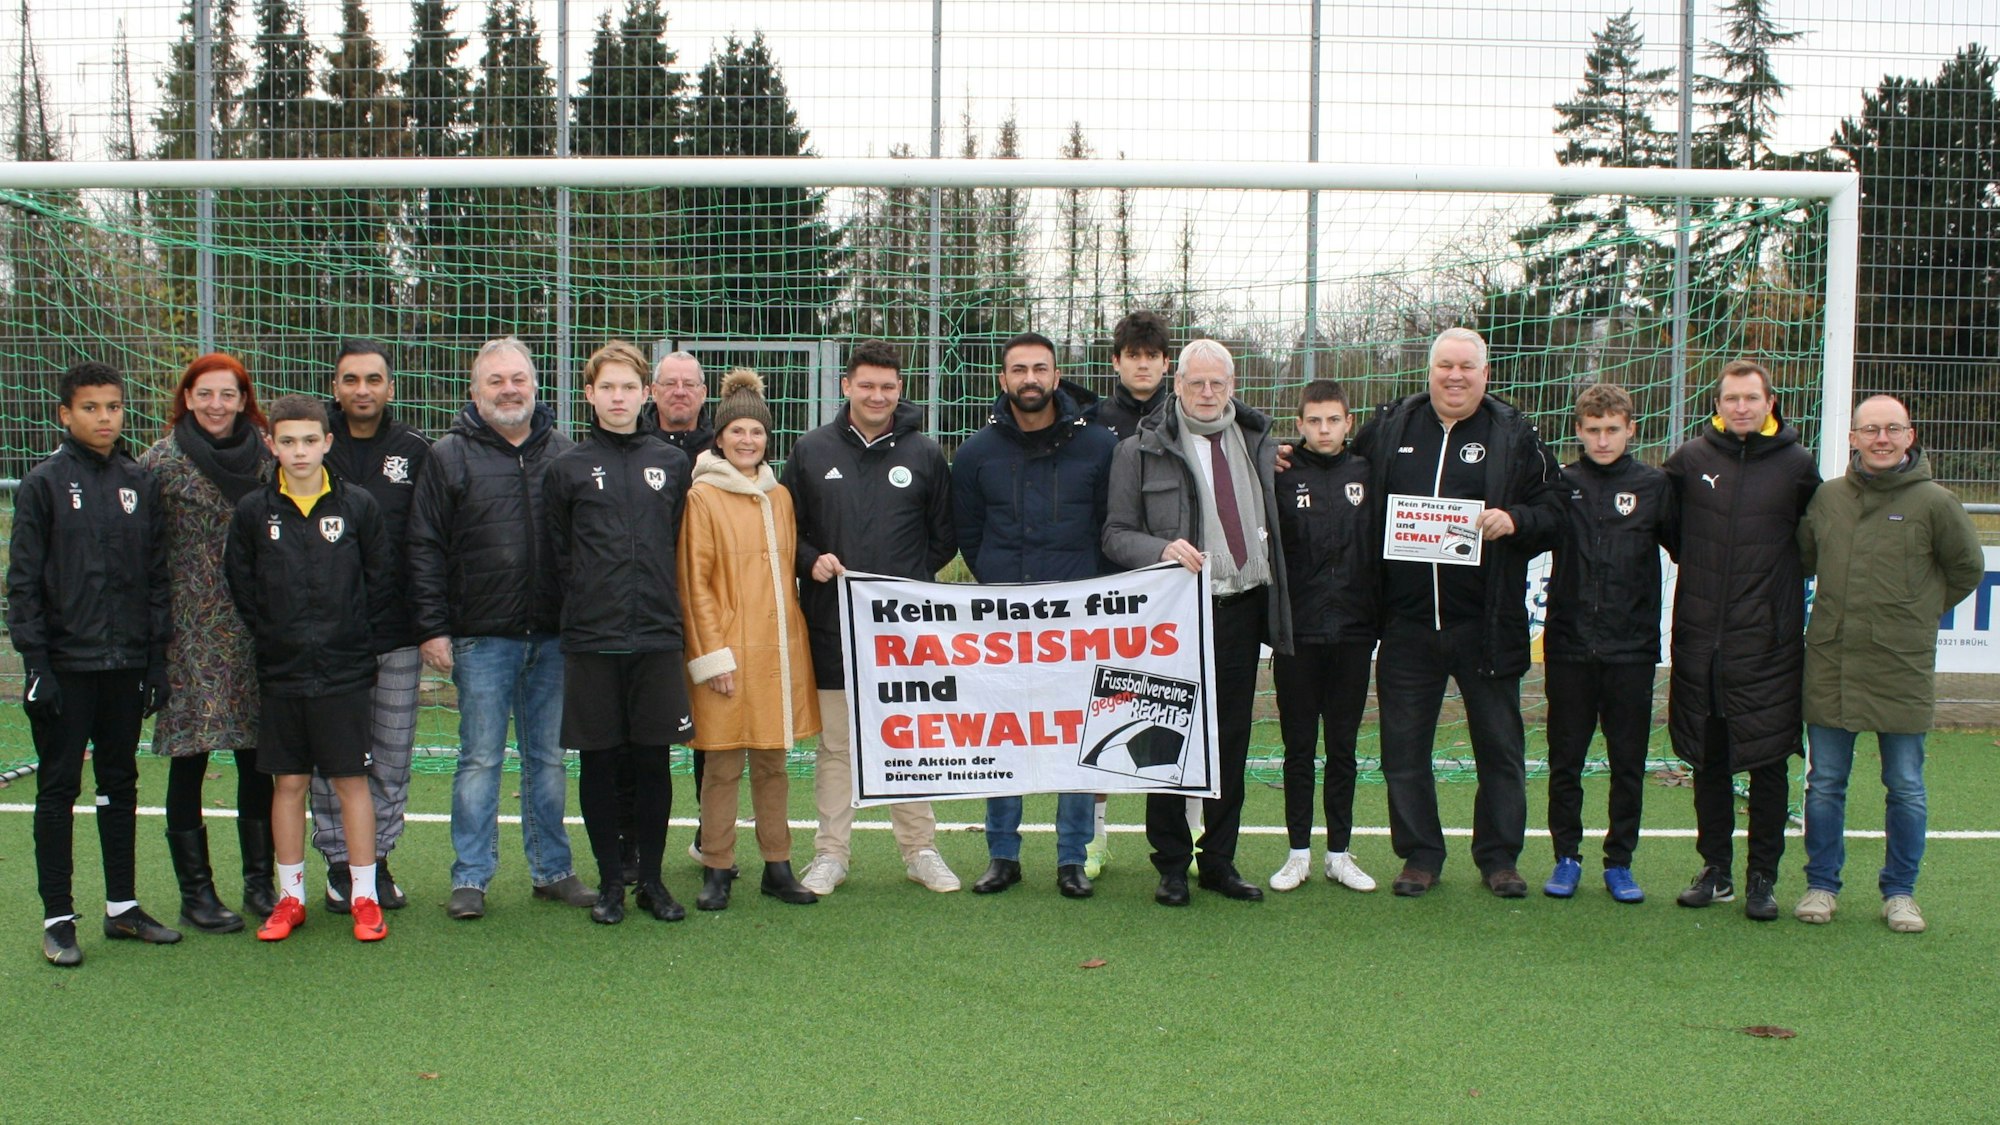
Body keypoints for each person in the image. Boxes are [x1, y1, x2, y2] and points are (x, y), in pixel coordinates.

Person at [1346, 327, 1563, 900]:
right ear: (1430, 370)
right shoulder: (1392, 427)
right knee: (1403, 749)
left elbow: (1556, 506)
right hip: (1407, 624)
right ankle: (1420, 854)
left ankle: (1499, 858)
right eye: (1445, 365)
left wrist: (1515, 520)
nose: (1455, 376)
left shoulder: (1514, 434)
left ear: (1485, 374)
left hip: (1485, 625)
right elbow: (1340, 471)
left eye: (1467, 367)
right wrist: (1289, 457)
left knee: (1499, 746)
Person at [408, 336, 595, 920]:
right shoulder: (447, 456)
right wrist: (433, 628)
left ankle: (552, 870)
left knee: (548, 758)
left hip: (553, 637)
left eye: (517, 378)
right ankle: (471, 877)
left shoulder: (565, 452)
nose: (508, 389)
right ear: (475, 390)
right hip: (481, 636)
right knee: (480, 759)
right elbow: (424, 547)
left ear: (536, 386)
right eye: (495, 381)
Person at [1104, 338, 1292, 906]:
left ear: (1233, 386)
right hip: (1175, 616)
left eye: (1217, 383)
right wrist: (1161, 550)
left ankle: (1220, 861)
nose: (1207, 393)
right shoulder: (1139, 451)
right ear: (1176, 384)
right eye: (1195, 383)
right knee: (1166, 735)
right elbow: (1114, 535)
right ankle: (1170, 864)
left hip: (1242, 608)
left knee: (1231, 739)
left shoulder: (1259, 440)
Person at [9, 361, 179, 965]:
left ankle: (122, 909)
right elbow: (23, 584)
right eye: (90, 407)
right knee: (58, 788)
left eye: (113, 406)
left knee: (121, 783)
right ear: (65, 414)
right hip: (65, 667)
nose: (104, 417)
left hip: (126, 664)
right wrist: (37, 664)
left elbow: (157, 578)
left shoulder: (140, 480)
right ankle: (58, 917)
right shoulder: (45, 483)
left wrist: (156, 661)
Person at [1793, 395, 1982, 933]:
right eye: (1870, 429)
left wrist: (1916, 614)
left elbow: (1965, 568)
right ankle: (1821, 885)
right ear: (1853, 438)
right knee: (1825, 782)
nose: (1881, 438)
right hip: (1832, 661)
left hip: (1902, 666)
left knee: (1905, 784)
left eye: (1891, 429)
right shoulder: (1828, 499)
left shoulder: (1936, 503)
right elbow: (1806, 557)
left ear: (1909, 436)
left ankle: (1900, 892)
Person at [782, 340, 961, 897]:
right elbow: (787, 535)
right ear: (846, 387)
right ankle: (831, 854)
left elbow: (943, 538)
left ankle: (919, 850)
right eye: (866, 385)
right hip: (832, 624)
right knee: (837, 746)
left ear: (899, 389)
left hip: (904, 632)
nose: (877, 395)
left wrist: (898, 583)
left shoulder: (926, 454)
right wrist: (812, 562)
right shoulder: (810, 451)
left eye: (887, 386)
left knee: (908, 738)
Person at [225, 396, 395, 942]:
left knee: (351, 781)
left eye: (309, 440)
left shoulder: (359, 507)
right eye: (288, 441)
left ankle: (364, 896)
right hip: (282, 673)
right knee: (290, 782)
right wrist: (277, 636)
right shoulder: (254, 512)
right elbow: (242, 586)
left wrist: (350, 639)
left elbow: (380, 582)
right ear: (271, 445)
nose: (299, 451)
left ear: (328, 443)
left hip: (345, 672)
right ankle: (290, 897)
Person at [954, 331, 1117, 900]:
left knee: (1074, 734)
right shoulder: (976, 453)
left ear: (1055, 375)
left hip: (1077, 620)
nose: (1030, 378)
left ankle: (1072, 857)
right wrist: (1001, 584)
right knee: (1005, 734)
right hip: (1002, 622)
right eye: (1018, 369)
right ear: (1003, 379)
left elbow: (1108, 526)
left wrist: (1082, 592)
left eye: (1040, 368)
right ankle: (1003, 855)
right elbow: (969, 536)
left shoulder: (1098, 446)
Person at [1663, 358, 1819, 922]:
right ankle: (1716, 870)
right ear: (1719, 403)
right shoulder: (1689, 461)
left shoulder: (1798, 466)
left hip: (1769, 643)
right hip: (1702, 640)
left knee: (1769, 762)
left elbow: (1808, 541)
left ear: (1769, 402)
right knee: (1708, 759)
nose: (1742, 406)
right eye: (1732, 398)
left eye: (1752, 397)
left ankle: (1763, 878)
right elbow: (1672, 533)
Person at [545, 341, 695, 925]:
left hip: (657, 635)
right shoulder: (568, 468)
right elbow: (559, 554)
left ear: (646, 395)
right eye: (606, 387)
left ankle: (652, 882)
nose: (618, 397)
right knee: (601, 763)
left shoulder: (672, 463)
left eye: (628, 388)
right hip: (592, 639)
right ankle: (611, 882)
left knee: (654, 762)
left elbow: (680, 544)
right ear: (589, 395)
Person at [138, 352, 277, 928]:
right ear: (187, 399)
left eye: (228, 394)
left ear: (244, 400)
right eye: (205, 394)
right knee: (189, 762)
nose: (216, 405)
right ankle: (197, 895)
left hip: (257, 626)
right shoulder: (160, 462)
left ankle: (260, 884)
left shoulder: (271, 456)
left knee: (257, 760)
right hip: (188, 634)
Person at [678, 369, 822, 911]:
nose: (747, 440)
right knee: (720, 765)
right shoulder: (703, 497)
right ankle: (716, 866)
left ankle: (778, 866)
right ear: (719, 436)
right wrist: (713, 657)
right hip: (729, 655)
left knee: (773, 763)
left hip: (779, 651)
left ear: (767, 438)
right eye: (736, 430)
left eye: (756, 432)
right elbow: (696, 585)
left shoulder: (779, 496)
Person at [1541, 383, 1677, 903]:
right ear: (1578, 431)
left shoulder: (1654, 485)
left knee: (1627, 761)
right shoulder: (1562, 483)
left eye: (1612, 430)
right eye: (1593, 431)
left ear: (1631, 429)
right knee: (1565, 760)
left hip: (1632, 650)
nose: (1602, 440)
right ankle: (1567, 857)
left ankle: (1619, 861)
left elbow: (1690, 547)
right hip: (1570, 648)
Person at [311, 339, 431, 917]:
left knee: (390, 755)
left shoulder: (413, 451)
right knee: (330, 757)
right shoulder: (313, 445)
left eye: (373, 380)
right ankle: (339, 863)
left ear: (390, 386)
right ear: (336, 387)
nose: (362, 390)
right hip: (326, 642)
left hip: (396, 635)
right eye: (351, 380)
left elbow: (429, 542)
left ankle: (377, 861)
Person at [1267, 379, 1378, 894]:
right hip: (1299, 635)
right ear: (1300, 424)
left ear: (1349, 422)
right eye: (1314, 420)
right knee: (1297, 748)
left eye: (1333, 419)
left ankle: (1338, 852)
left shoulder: (1368, 471)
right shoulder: (1282, 474)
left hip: (1354, 633)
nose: (1325, 429)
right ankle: (1297, 853)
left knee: (1343, 748)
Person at [1085, 310, 1176, 878]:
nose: (1143, 365)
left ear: (1166, 362)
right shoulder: (1093, 424)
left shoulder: (1188, 414)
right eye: (1132, 355)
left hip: (1172, 593)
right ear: (1116, 361)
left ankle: (1183, 834)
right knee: (1105, 711)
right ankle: (1094, 838)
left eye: (1152, 356)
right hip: (1109, 588)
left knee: (1173, 708)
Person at [643, 349, 713, 457]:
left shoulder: (720, 450)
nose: (680, 392)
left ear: (703, 393)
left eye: (689, 384)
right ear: (654, 391)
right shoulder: (635, 446)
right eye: (670, 383)